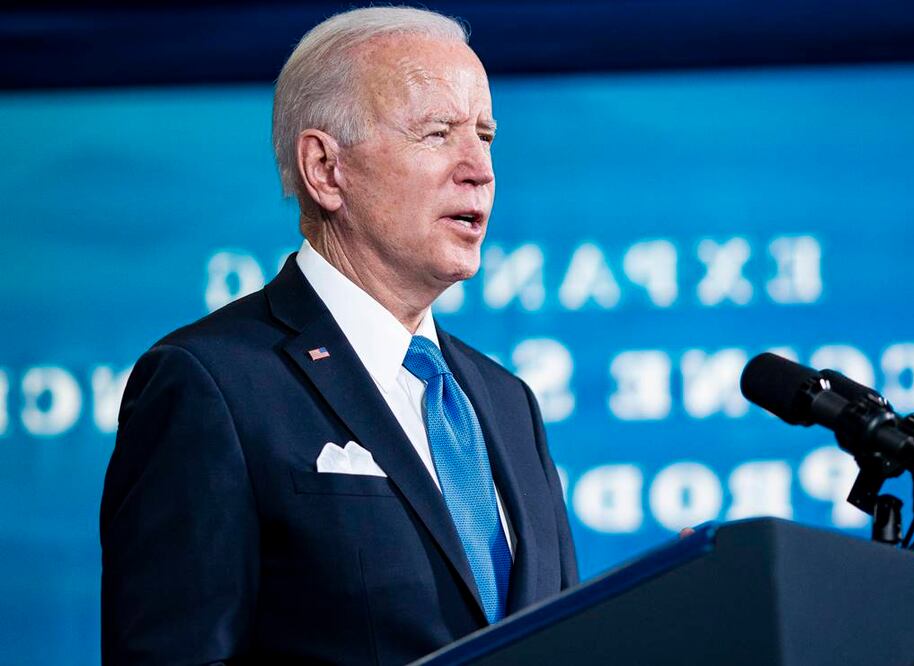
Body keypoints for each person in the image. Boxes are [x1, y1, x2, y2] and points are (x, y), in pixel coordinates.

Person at [99, 7, 578, 664]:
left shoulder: (507, 401)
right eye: (437, 134)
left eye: (485, 135)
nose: (479, 168)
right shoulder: (212, 384)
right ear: (325, 168)